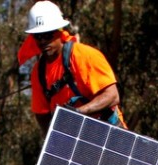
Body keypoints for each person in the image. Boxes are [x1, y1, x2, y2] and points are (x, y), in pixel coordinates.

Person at [23, 1, 126, 134]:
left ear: (59, 32)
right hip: (76, 141)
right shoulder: (38, 73)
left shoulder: (85, 55)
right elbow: (41, 113)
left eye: (48, 35)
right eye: (38, 36)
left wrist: (78, 113)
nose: (43, 41)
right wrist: (52, 140)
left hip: (110, 133)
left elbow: (112, 96)